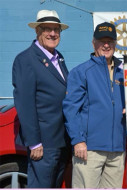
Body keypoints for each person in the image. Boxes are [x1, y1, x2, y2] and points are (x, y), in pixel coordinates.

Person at [63, 22, 127, 188]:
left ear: (115, 44)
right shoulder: (82, 71)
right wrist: (78, 141)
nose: (106, 45)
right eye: (102, 41)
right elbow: (71, 110)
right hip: (90, 149)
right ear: (93, 43)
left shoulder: (123, 72)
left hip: (117, 150)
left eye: (110, 41)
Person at [12, 10, 70, 188]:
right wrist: (35, 142)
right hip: (44, 144)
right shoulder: (26, 60)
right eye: (47, 29)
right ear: (37, 31)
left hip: (61, 141)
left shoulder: (58, 57)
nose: (53, 34)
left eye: (56, 30)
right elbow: (25, 104)